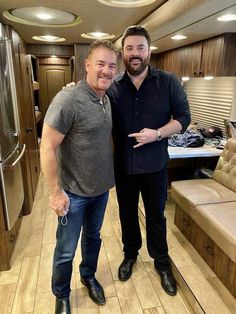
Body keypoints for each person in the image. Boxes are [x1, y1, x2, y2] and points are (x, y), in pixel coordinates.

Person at [107, 25, 191, 296]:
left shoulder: (168, 81)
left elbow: (183, 118)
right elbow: (91, 101)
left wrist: (157, 134)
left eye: (140, 47)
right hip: (124, 167)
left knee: (156, 216)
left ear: (149, 51)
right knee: (127, 214)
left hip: (155, 166)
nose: (135, 53)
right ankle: (130, 255)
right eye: (129, 48)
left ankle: (162, 262)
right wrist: (74, 90)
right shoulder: (113, 86)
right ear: (122, 53)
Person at [40, 40, 117, 314]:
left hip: (101, 190)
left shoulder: (107, 98)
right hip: (72, 194)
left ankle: (88, 276)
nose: (106, 71)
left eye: (111, 66)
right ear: (87, 65)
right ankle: (61, 294)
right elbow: (47, 146)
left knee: (93, 238)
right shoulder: (68, 99)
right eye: (100, 64)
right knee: (65, 249)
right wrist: (55, 192)